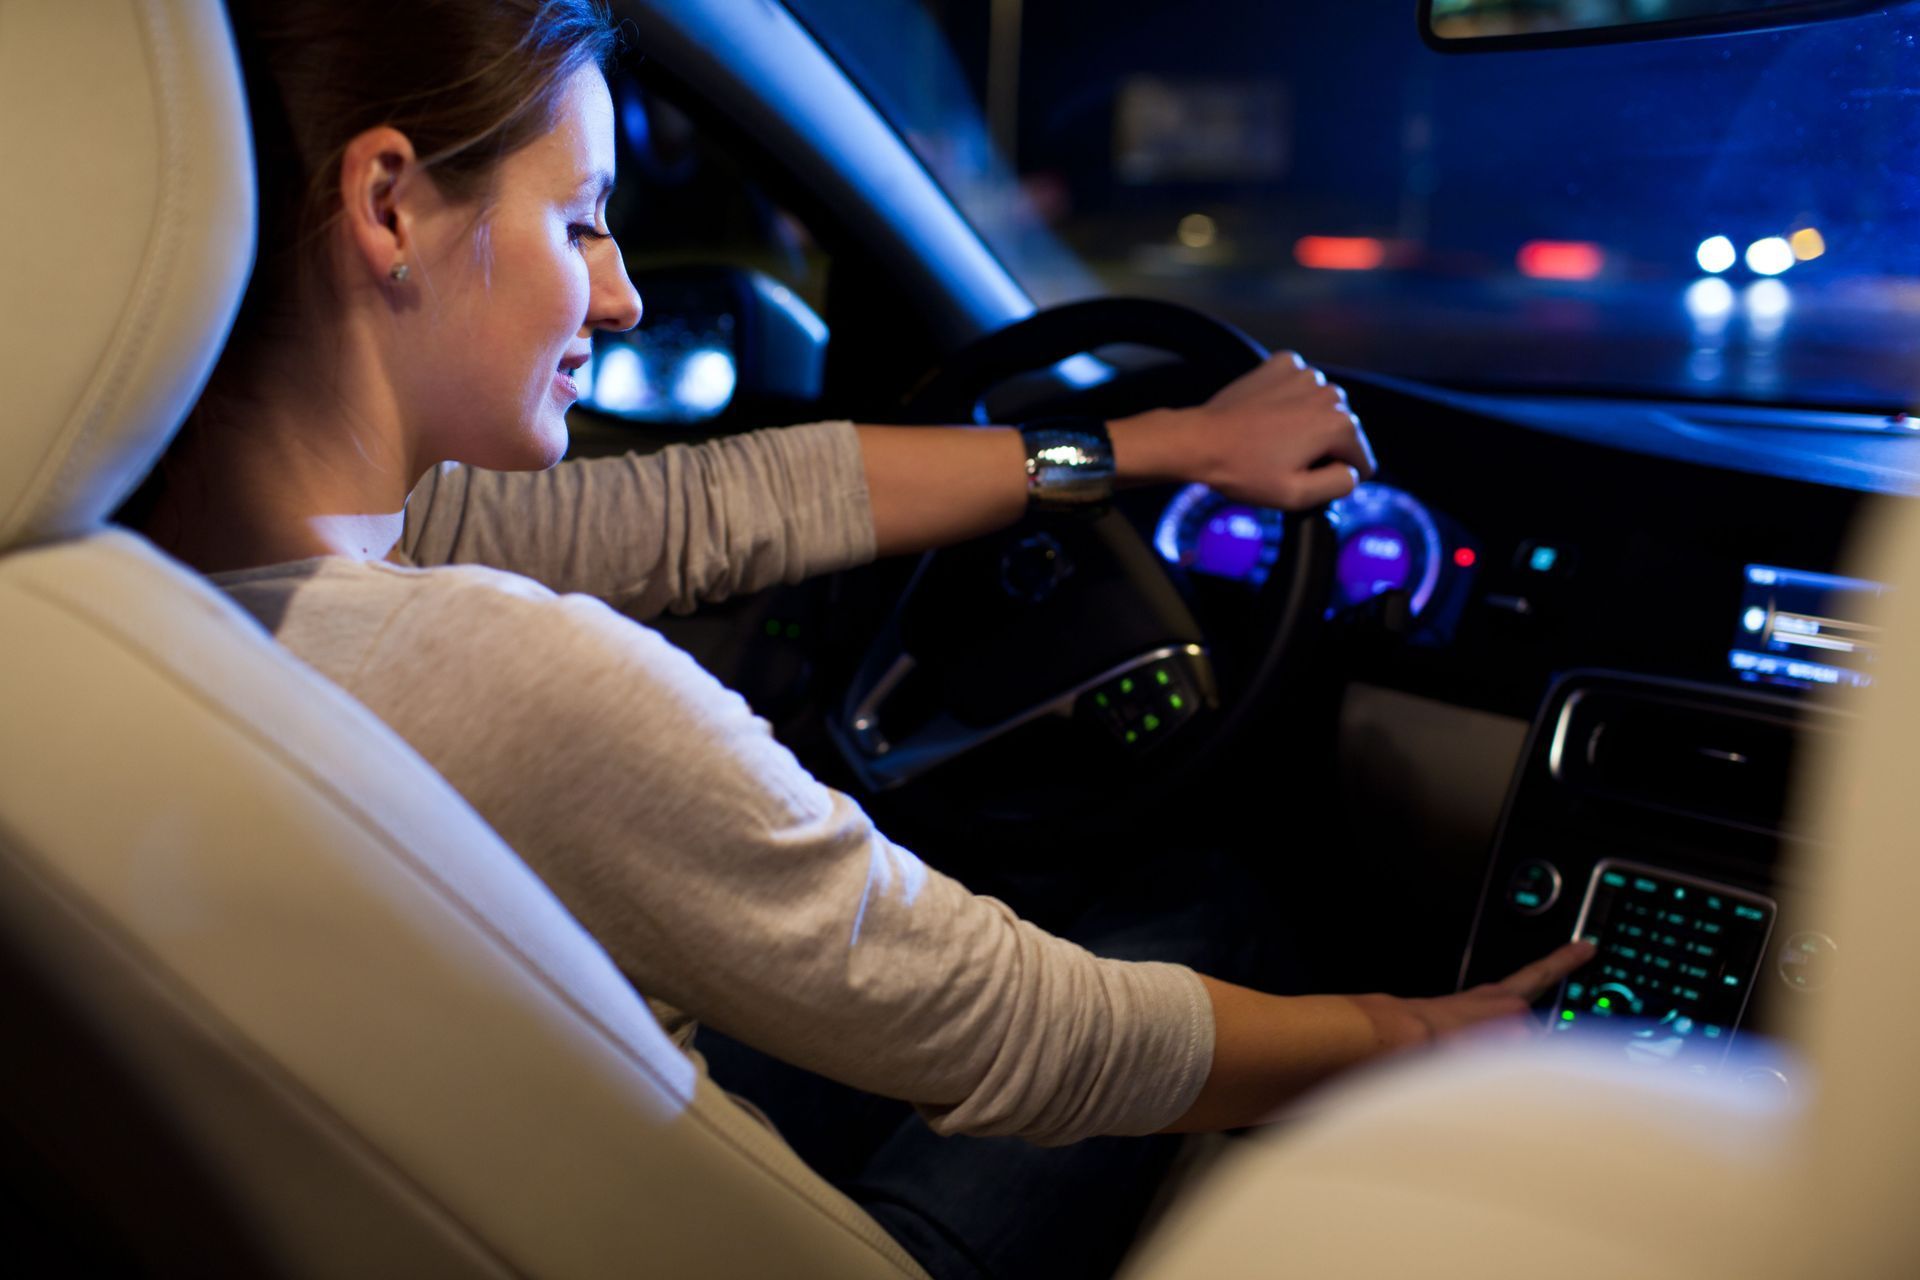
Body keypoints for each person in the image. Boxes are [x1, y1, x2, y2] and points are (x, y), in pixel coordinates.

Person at [141, 1, 1593, 1276]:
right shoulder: (506, 677)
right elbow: (1030, 1028)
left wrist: (1157, 444)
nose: (623, 293)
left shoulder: (140, 588)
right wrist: (1433, 1046)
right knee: (1203, 912)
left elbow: (720, 505)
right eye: (579, 219)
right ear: (388, 205)